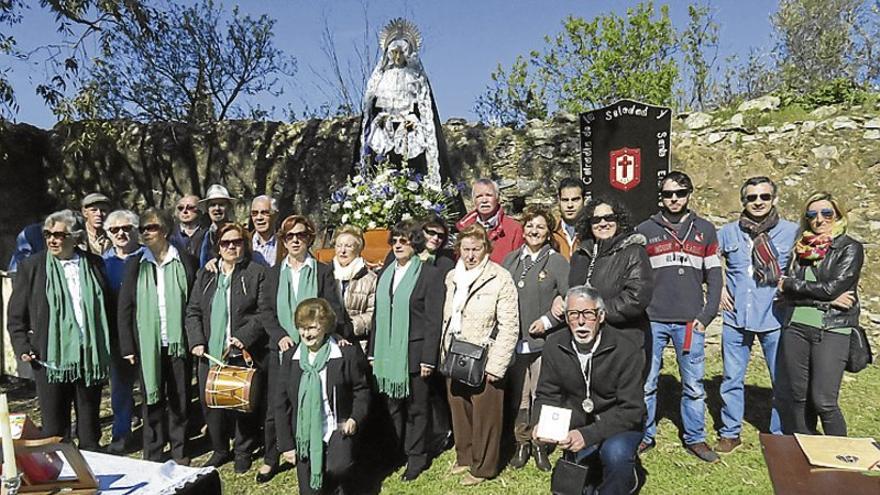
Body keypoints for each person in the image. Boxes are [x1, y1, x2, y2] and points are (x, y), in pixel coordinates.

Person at [7, 210, 112, 451]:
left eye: (59, 235)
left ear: (75, 237)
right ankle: (61, 478)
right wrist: (23, 345)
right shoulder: (32, 267)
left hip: (89, 357)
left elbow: (107, 307)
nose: (52, 240)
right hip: (49, 360)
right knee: (54, 430)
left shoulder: (93, 264)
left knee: (89, 429)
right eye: (48, 234)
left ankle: (93, 474)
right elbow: (16, 315)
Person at [636, 171, 722, 463]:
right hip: (654, 320)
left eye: (680, 193)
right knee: (647, 383)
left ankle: (695, 438)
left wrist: (707, 315)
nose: (674, 199)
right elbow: (636, 276)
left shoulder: (706, 230)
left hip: (690, 322)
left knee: (694, 385)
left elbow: (715, 276)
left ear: (689, 194)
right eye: (668, 194)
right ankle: (644, 436)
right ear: (661, 196)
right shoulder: (645, 230)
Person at [533, 285, 646, 495]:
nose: (581, 322)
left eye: (588, 314)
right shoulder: (554, 345)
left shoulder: (626, 348)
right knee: (579, 487)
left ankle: (626, 479)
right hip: (578, 420)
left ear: (601, 316)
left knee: (615, 455)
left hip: (619, 421)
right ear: (566, 318)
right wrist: (540, 423)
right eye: (574, 315)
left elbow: (633, 410)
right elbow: (547, 393)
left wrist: (588, 434)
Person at [257, 214, 344, 482]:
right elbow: (266, 310)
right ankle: (272, 457)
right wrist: (280, 335)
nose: (295, 240)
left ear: (310, 238)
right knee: (276, 405)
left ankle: (318, 448)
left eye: (301, 235)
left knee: (313, 399)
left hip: (314, 349)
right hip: (283, 349)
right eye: (289, 236)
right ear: (283, 240)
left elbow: (333, 307)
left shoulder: (322, 270)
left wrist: (328, 335)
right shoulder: (272, 274)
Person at [716, 177, 798, 452]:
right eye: (752, 198)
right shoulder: (728, 232)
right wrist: (720, 288)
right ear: (744, 201)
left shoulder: (792, 232)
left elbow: (806, 266)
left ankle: (778, 433)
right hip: (736, 315)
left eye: (764, 196)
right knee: (731, 378)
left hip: (774, 315)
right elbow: (710, 259)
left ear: (774, 199)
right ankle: (730, 431)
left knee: (781, 379)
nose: (758, 202)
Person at [776, 192, 864, 437]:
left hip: (832, 328)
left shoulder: (849, 247)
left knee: (824, 401)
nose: (819, 220)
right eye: (812, 214)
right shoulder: (800, 248)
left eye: (826, 213)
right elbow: (795, 293)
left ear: (837, 214)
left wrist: (792, 286)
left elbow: (832, 288)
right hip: (796, 327)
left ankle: (839, 457)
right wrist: (821, 297)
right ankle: (808, 449)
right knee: (799, 397)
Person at [118, 207, 198, 464]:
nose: (144, 233)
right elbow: (125, 307)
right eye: (141, 229)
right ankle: (153, 451)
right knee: (152, 397)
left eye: (150, 228)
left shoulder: (185, 260)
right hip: (147, 345)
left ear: (164, 230)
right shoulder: (135, 264)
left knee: (180, 398)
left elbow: (195, 305)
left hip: (178, 344)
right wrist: (128, 346)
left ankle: (180, 450)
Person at [442, 224, 519, 486]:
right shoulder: (452, 277)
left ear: (486, 248)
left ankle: (483, 467)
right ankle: (465, 456)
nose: (471, 255)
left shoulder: (499, 277)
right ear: (459, 250)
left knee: (486, 414)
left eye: (476, 249)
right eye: (466, 249)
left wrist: (497, 364)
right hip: (456, 351)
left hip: (485, 355)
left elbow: (510, 324)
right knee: (459, 406)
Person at [186, 223, 267, 472]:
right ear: (218, 247)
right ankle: (220, 449)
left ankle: (243, 450)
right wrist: (197, 340)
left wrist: (245, 335)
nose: (231, 246)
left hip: (241, 350)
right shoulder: (207, 274)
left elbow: (264, 312)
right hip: (210, 351)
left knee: (242, 402)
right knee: (211, 403)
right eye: (225, 243)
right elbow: (193, 311)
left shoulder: (256, 273)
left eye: (237, 242)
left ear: (245, 244)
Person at [368, 220, 444, 481]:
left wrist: (428, 358)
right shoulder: (385, 274)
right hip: (387, 352)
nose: (398, 244)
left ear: (416, 243)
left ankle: (416, 457)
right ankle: (394, 452)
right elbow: (378, 314)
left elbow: (434, 320)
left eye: (405, 240)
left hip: (414, 353)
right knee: (392, 406)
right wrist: (372, 350)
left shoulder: (429, 275)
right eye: (395, 240)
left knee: (417, 408)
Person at [277, 298, 371, 495]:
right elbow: (280, 403)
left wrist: (355, 418)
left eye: (312, 328)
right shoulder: (289, 358)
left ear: (325, 326)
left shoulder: (345, 354)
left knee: (338, 468)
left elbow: (361, 390)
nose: (306, 333)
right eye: (302, 328)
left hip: (336, 427)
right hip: (305, 434)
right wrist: (286, 445)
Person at [501, 205, 569, 471]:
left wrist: (548, 321)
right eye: (530, 225)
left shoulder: (557, 261)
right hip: (516, 342)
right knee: (521, 394)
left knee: (544, 393)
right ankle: (522, 443)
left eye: (540, 226)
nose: (534, 231)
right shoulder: (510, 260)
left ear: (548, 232)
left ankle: (542, 445)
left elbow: (568, 298)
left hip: (545, 342)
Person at [567, 196, 654, 357]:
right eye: (596, 219)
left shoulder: (633, 251)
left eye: (609, 218)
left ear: (619, 220)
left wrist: (594, 312)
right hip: (585, 340)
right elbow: (572, 291)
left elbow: (636, 297)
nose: (603, 223)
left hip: (623, 340)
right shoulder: (580, 255)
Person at [102, 209, 144, 455]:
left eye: (126, 228)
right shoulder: (103, 263)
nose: (121, 233)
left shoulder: (148, 258)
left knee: (151, 388)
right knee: (120, 389)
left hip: (146, 333)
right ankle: (121, 434)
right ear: (108, 233)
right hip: (116, 336)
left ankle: (154, 433)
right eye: (115, 230)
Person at [455, 178, 524, 264]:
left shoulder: (514, 229)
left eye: (488, 195)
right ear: (473, 201)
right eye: (479, 196)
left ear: (497, 198)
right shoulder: (464, 227)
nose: (484, 200)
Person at [331, 225, 377, 348]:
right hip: (328, 341)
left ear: (358, 249)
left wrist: (350, 326)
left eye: (348, 246)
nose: (342, 250)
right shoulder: (326, 274)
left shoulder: (370, 279)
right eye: (339, 245)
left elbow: (373, 314)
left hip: (357, 344)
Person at [193, 184, 235, 267]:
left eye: (221, 204)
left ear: (229, 207)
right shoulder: (199, 237)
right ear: (207, 209)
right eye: (212, 205)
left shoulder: (238, 234)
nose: (217, 208)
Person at [552, 178, 585, 260]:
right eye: (565, 200)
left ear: (584, 200)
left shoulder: (593, 232)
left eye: (575, 200)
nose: (570, 205)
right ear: (559, 201)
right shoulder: (550, 231)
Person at [250, 195, 281, 267]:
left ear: (276, 215)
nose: (259, 218)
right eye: (254, 213)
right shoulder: (244, 243)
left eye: (264, 213)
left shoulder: (285, 245)